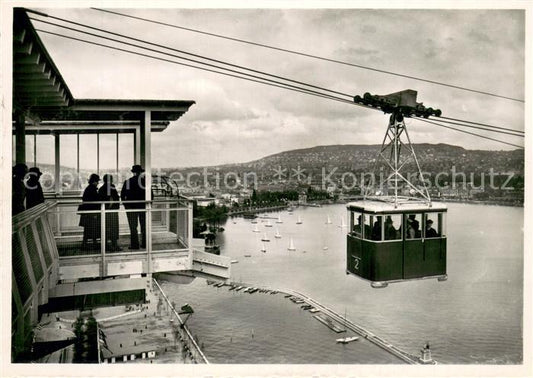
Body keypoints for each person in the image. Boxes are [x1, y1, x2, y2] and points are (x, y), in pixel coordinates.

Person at [121, 165, 149, 250]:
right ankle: (145, 244)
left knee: (133, 227)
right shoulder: (145, 182)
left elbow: (123, 195)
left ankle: (135, 245)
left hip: (131, 207)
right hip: (143, 207)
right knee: (144, 226)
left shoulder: (128, 182)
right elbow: (150, 195)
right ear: (141, 172)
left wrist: (126, 205)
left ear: (133, 172)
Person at [98, 174, 122, 251]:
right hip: (112, 211)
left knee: (107, 228)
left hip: (106, 211)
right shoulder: (111, 187)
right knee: (113, 228)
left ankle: (107, 246)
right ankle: (113, 245)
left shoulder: (102, 189)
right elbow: (115, 198)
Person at [78, 174, 101, 249]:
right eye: (97, 181)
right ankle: (93, 244)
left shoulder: (89, 188)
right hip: (91, 212)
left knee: (88, 229)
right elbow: (95, 201)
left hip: (87, 213)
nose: (98, 183)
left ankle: (85, 244)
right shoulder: (92, 189)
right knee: (93, 229)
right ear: (94, 181)